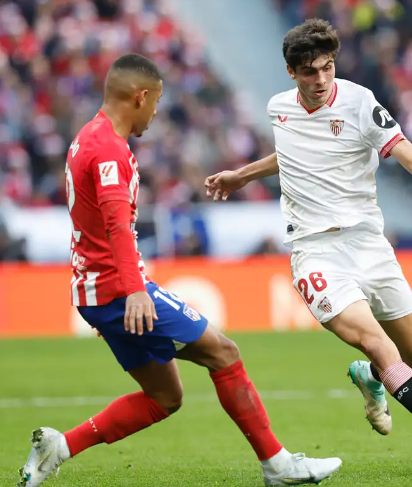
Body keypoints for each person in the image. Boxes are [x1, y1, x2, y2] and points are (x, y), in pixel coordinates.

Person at [17, 53, 341, 487]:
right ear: (141, 96)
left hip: (98, 292)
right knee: (224, 354)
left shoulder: (87, 137)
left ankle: (61, 446)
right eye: (156, 102)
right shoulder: (109, 149)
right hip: (118, 290)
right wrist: (132, 292)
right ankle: (279, 467)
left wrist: (105, 300)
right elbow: (115, 226)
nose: (155, 112)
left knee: (165, 397)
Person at [205, 18, 412, 472]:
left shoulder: (359, 103)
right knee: (376, 341)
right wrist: (243, 174)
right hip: (315, 251)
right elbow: (292, 152)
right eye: (310, 71)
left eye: (327, 68)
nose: (321, 80)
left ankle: (370, 379)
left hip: (370, 243)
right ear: (292, 72)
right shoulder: (279, 108)